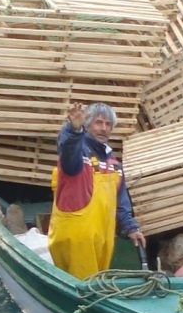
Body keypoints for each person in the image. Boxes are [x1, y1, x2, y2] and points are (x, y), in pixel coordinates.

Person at [48, 102, 146, 279]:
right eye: (98, 123)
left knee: (96, 283)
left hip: (102, 240)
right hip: (76, 240)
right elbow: (67, 149)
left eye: (108, 124)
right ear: (87, 124)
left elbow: (120, 204)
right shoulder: (79, 156)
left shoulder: (114, 166)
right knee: (83, 286)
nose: (104, 128)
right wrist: (73, 130)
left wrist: (131, 228)